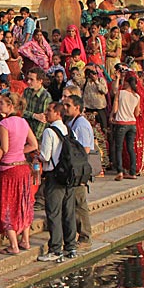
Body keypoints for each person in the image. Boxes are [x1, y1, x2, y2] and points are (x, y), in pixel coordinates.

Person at [0, 93, 38, 254]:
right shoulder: (23, 122)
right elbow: (33, 144)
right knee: (23, 204)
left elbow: (3, 148)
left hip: (9, 168)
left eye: (2, 104)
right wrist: (19, 151)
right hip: (22, 167)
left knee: (8, 205)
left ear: (11, 106)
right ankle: (25, 240)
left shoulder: (4, 123)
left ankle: (14, 245)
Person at [37, 102, 77, 262]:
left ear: (58, 114)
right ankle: (70, 246)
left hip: (54, 176)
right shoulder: (67, 129)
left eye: (49, 111)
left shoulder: (49, 131)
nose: (46, 113)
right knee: (68, 211)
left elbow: (45, 156)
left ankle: (55, 249)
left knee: (53, 213)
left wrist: (36, 155)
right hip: (69, 175)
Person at [62, 94, 94, 246]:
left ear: (77, 108)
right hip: (73, 170)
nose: (65, 108)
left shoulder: (81, 124)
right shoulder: (70, 122)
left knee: (80, 205)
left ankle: (85, 236)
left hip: (78, 170)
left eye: (68, 105)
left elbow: (85, 148)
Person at [112, 73, 141, 180]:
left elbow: (115, 108)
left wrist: (112, 115)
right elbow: (137, 113)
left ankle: (119, 171)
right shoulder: (137, 96)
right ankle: (133, 172)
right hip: (132, 124)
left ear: (127, 83)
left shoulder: (121, 93)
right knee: (130, 148)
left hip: (121, 122)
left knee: (118, 148)